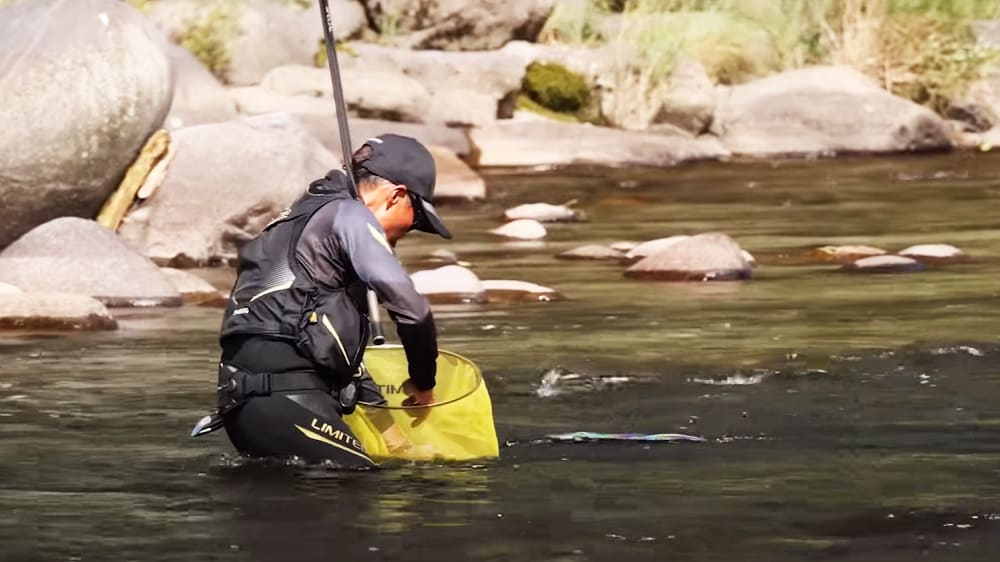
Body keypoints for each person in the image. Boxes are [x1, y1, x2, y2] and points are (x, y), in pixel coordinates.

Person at [215, 134, 451, 467]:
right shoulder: (350, 215)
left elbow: (331, 357)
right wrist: (424, 382)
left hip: (243, 407)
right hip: (289, 400)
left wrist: (397, 446)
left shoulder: (295, 223)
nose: (405, 232)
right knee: (353, 497)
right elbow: (414, 313)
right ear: (396, 196)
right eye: (414, 220)